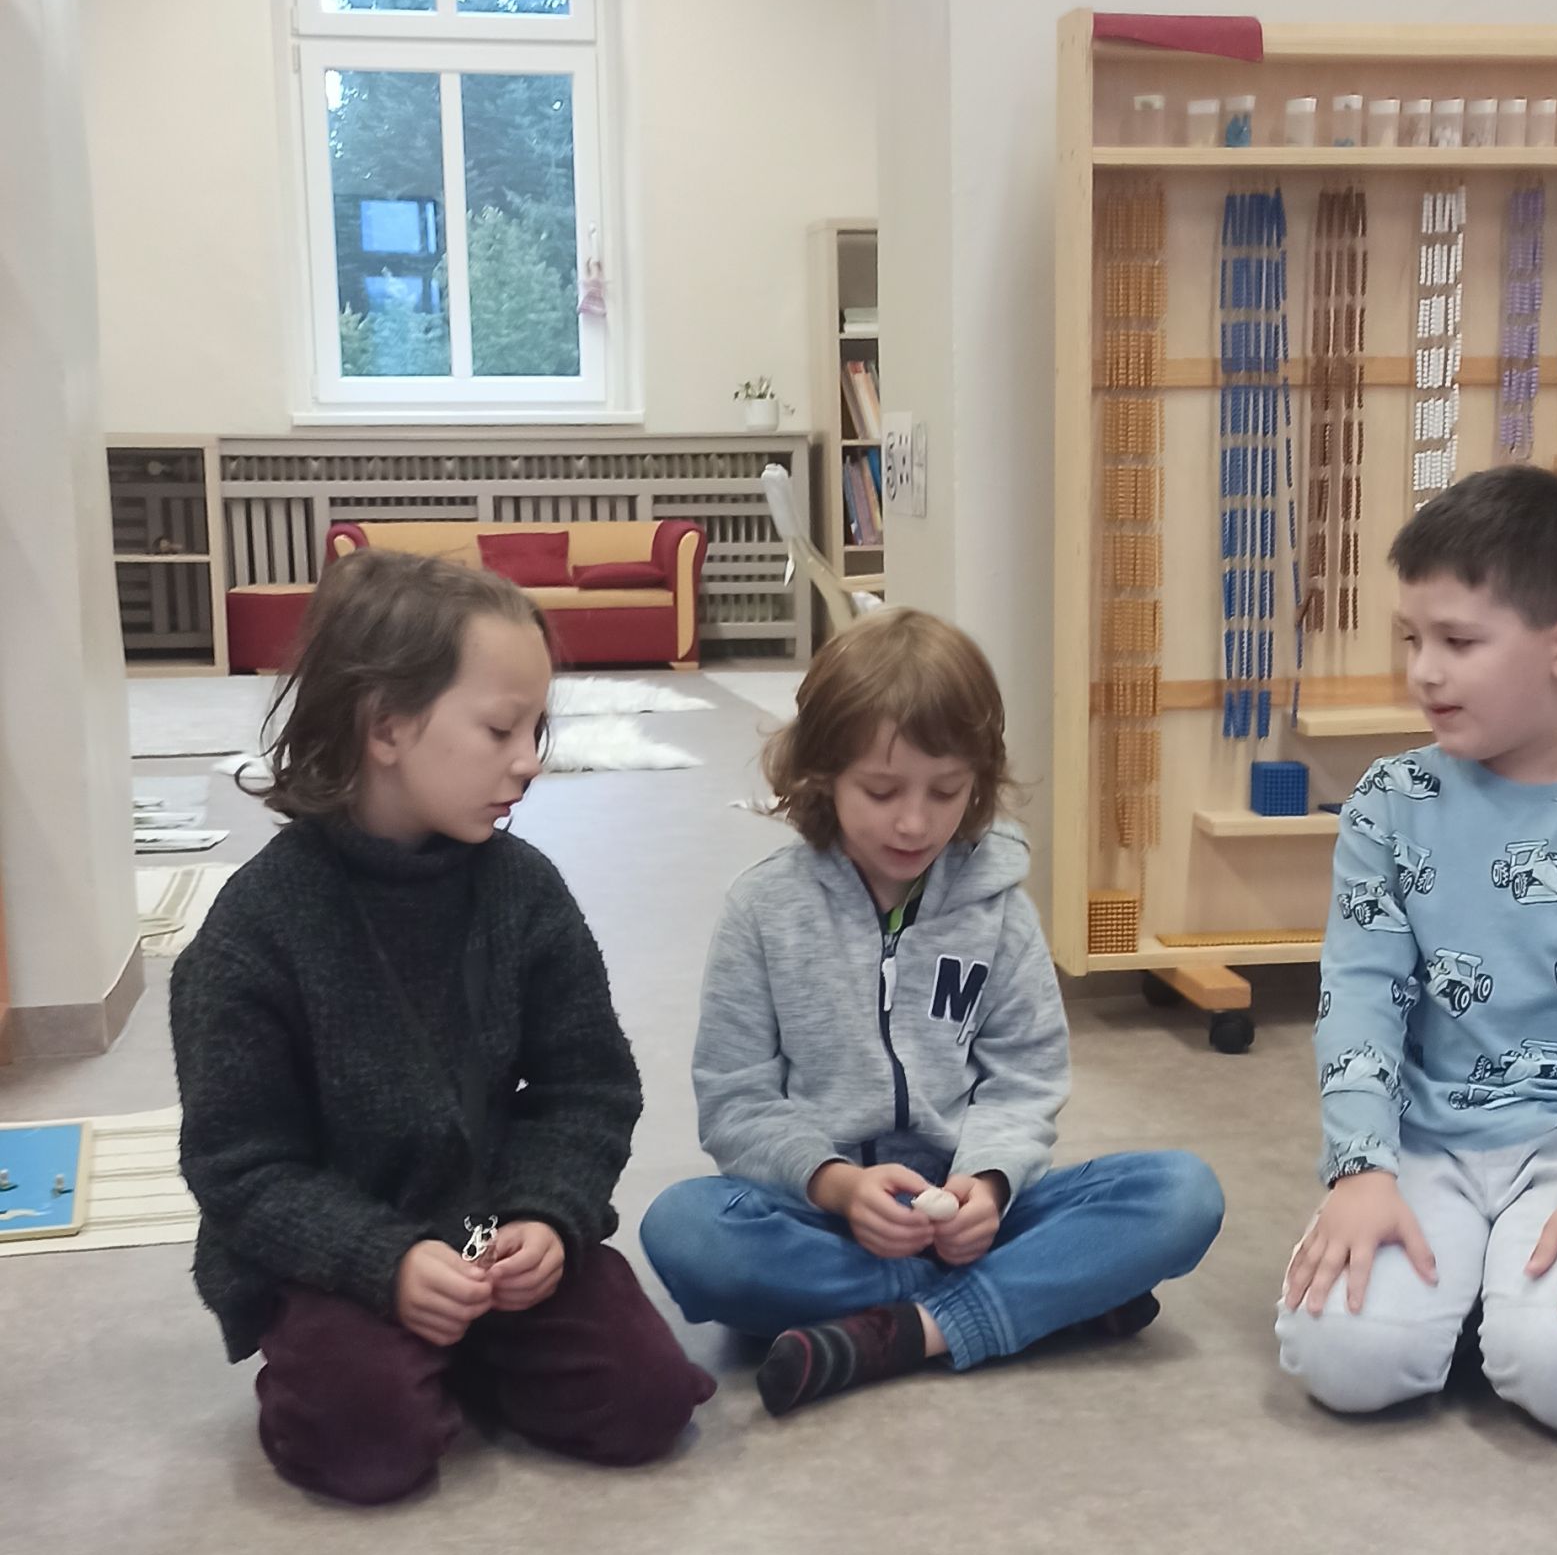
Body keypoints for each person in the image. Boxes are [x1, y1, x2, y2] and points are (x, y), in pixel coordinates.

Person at [170, 549, 711, 1502]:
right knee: (368, 1446)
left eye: (537, 728)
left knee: (649, 1401)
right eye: (501, 729)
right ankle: (391, 1362)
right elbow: (239, 1168)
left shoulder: (524, 892)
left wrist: (546, 1215)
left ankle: (462, 1353)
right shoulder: (257, 929)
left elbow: (587, 1087)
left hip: (491, 1235)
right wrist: (383, 1264)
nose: (529, 759)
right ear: (386, 725)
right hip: (337, 1261)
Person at [640, 609, 1222, 1416]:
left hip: (974, 1219)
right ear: (821, 776)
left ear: (978, 782)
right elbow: (736, 1102)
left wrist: (987, 1184)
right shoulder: (762, 912)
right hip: (824, 1214)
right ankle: (1031, 1302)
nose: (915, 822)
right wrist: (838, 1186)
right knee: (685, 1231)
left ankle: (900, 1329)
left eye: (946, 791)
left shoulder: (1000, 911)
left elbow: (1024, 1080)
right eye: (881, 792)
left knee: (1183, 1194)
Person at [1276, 465, 1557, 1436]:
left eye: (1459, 641)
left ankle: (1497, 1296)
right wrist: (1361, 1168)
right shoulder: (1390, 800)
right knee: (1347, 1361)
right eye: (1412, 638)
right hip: (1425, 1135)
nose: (1424, 672)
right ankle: (1467, 1290)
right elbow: (1359, 996)